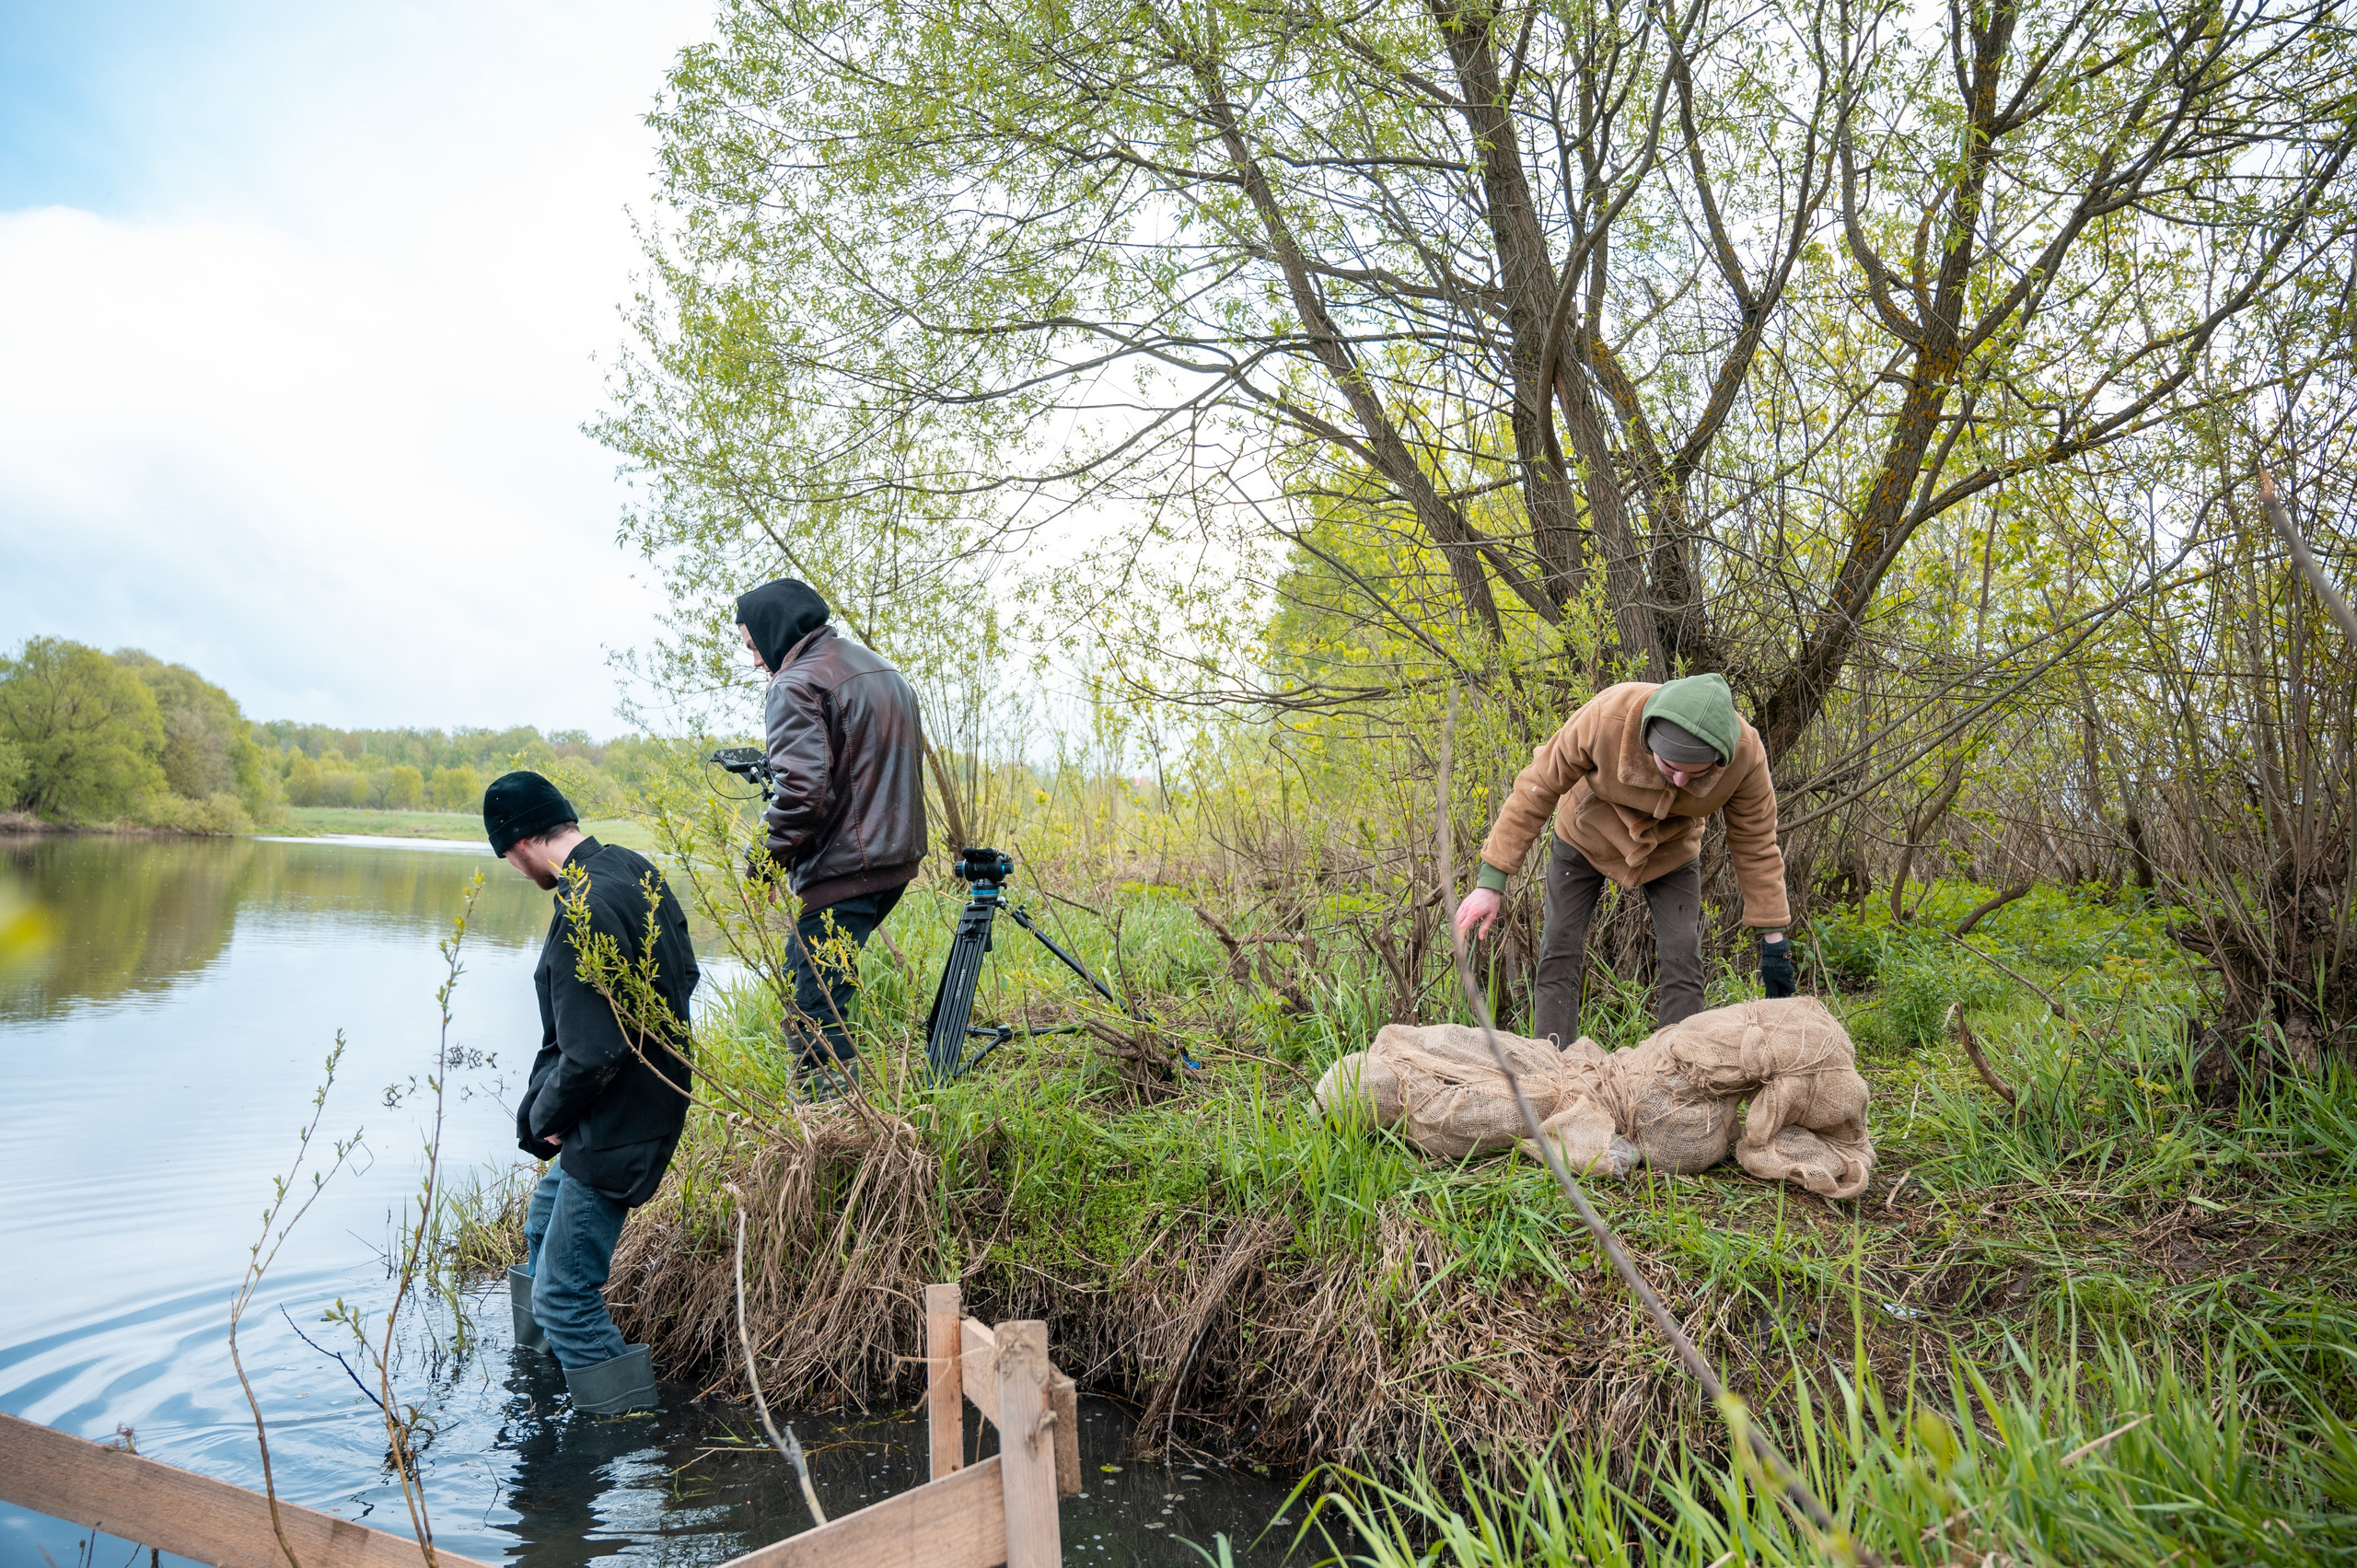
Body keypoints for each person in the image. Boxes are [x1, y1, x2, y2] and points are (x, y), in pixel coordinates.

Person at [490, 770, 699, 1415]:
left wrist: (546, 1118)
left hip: (617, 1125)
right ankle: (545, 1382)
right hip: (641, 1105)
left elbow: (591, 1053)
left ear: (521, 843)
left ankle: (624, 1433)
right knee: (540, 1225)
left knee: (563, 1294)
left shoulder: (581, 907)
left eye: (508, 858)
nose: (516, 869)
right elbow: (686, 973)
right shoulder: (633, 868)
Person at [1453, 673, 1795, 1044]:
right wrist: (1492, 880)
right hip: (1585, 835)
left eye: (1694, 774)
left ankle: (1676, 1073)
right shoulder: (1604, 718)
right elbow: (1537, 787)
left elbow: (1756, 841)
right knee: (1559, 945)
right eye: (1669, 767)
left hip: (1671, 849)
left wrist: (1773, 936)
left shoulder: (1746, 756)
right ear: (1648, 739)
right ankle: (1552, 1065)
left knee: (1683, 955)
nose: (1679, 782)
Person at [734, 577, 927, 1090]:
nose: (756, 661)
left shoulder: (795, 683)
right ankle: (839, 1113)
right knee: (815, 975)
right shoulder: (882, 668)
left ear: (774, 631)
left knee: (815, 1005)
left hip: (845, 868)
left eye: (754, 646)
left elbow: (802, 795)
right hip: (894, 861)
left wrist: (762, 865)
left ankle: (835, 1129)